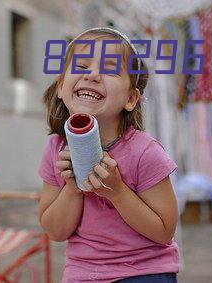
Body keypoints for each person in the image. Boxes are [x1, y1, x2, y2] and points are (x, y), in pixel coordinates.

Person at [38, 27, 180, 283]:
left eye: (110, 69)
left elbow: (164, 232)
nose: (92, 75)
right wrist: (72, 188)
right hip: (82, 274)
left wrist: (118, 192)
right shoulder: (55, 149)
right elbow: (55, 231)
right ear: (61, 86)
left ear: (131, 98)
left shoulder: (144, 153)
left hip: (144, 272)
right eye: (81, 66)